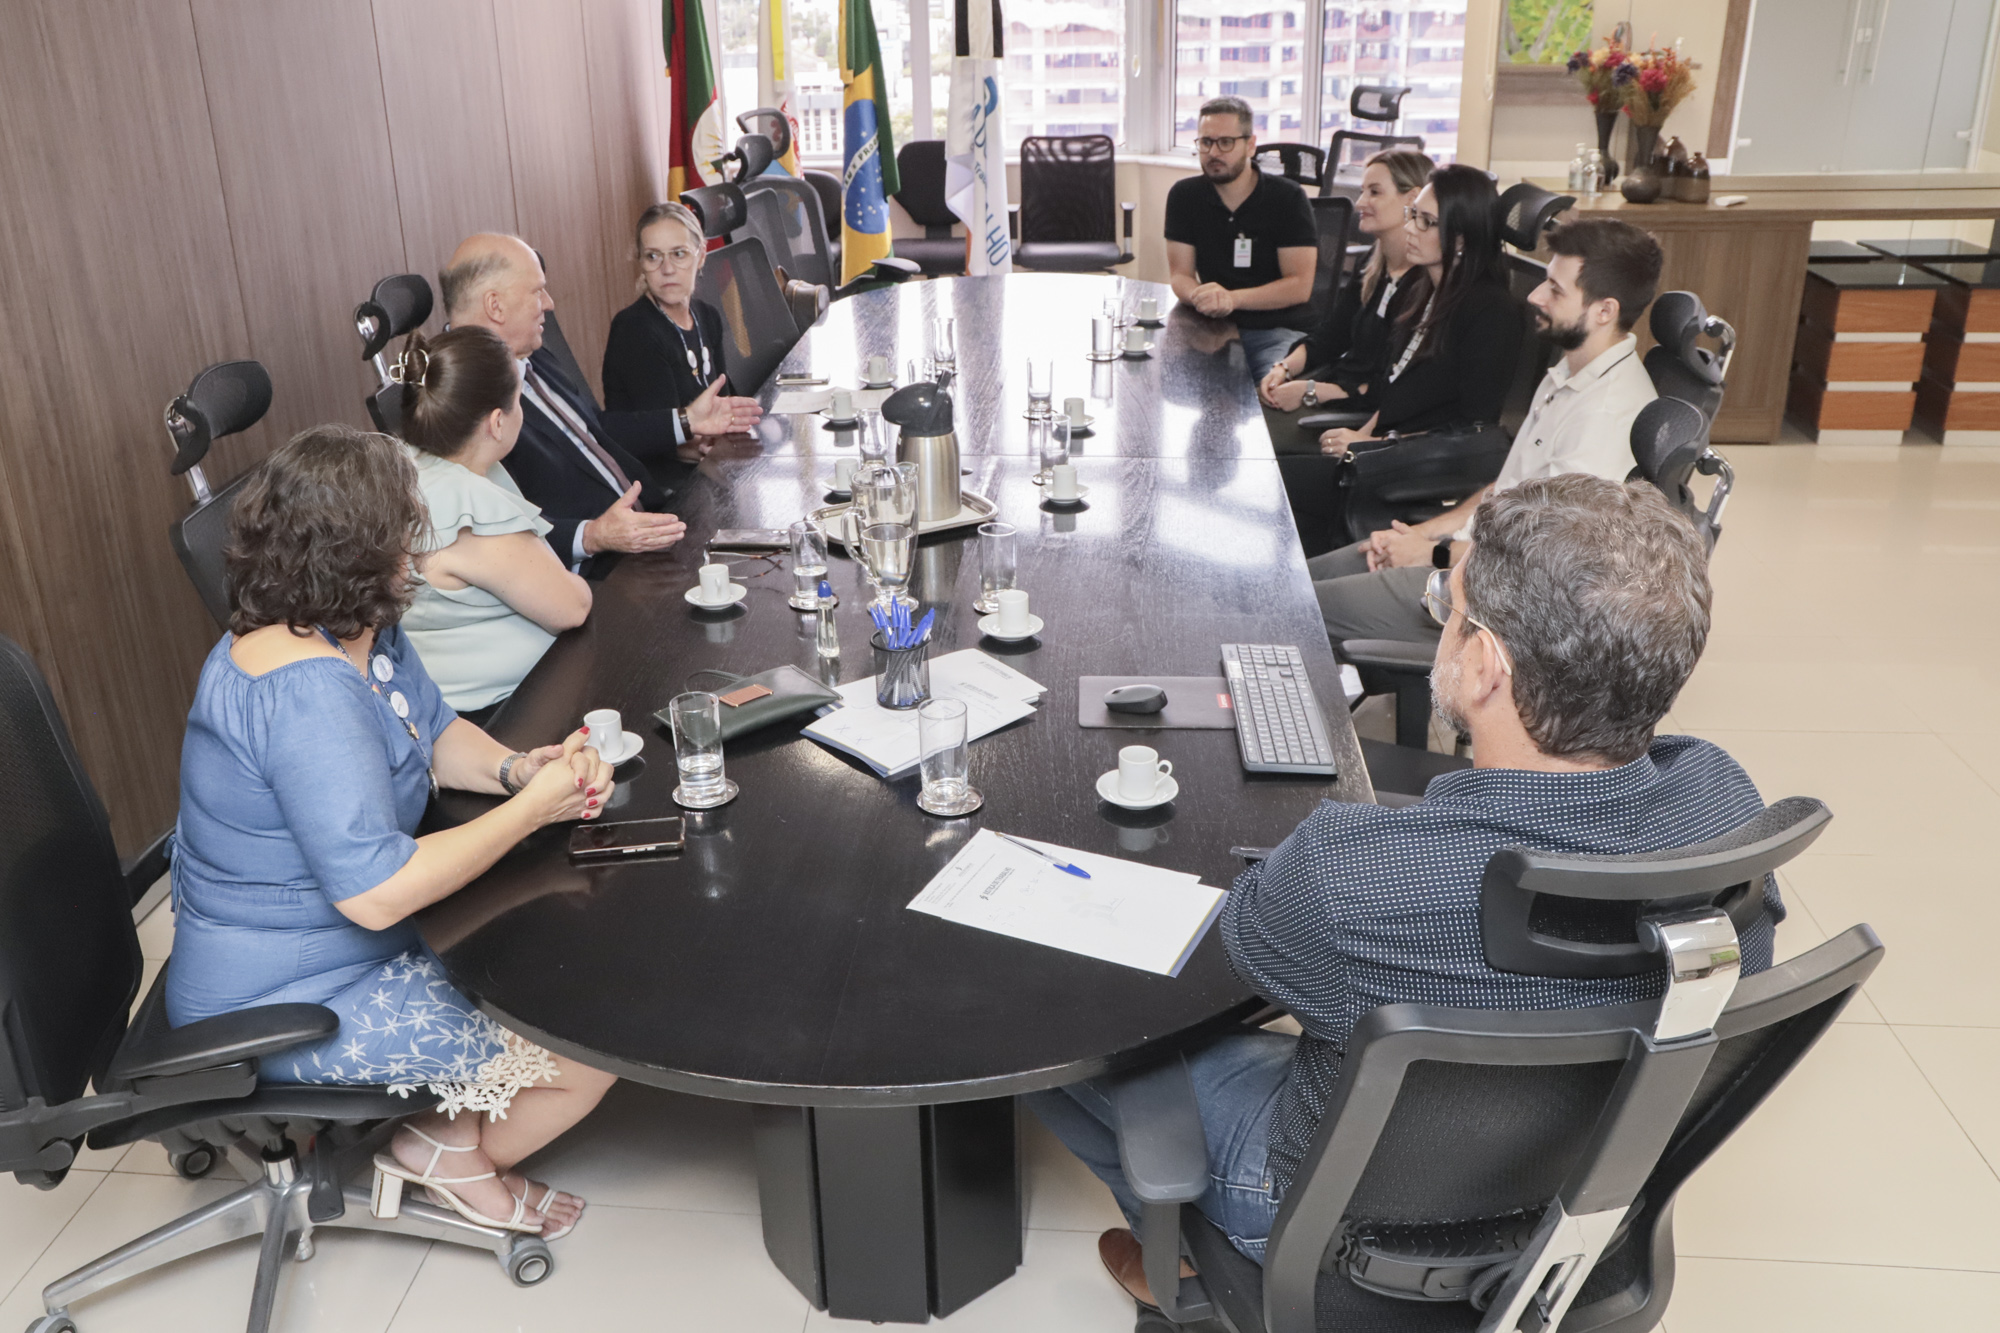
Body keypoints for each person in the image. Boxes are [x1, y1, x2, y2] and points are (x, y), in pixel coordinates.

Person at [1027, 475, 1785, 1301]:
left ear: (1487, 668)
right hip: (1580, 1185)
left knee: (1046, 1010)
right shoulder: (1729, 804)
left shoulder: (1358, 876)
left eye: (1451, 610)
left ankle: (1186, 1261)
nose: (1442, 627)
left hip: (1331, 1215)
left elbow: (1225, 951)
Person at [168, 425, 619, 1241]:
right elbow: (377, 892)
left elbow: (435, 727)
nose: (416, 554)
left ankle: (448, 1132)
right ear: (355, 555)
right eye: (402, 537)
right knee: (593, 1036)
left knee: (561, 948)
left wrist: (521, 769)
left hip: (351, 949)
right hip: (285, 1001)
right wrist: (532, 810)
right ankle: (439, 1149)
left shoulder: (349, 625)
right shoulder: (307, 693)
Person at [1310, 218, 1665, 647]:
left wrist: (1431, 555)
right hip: (1467, 557)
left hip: (1494, 598)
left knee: (1296, 610)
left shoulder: (1606, 415)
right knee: (1297, 583)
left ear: (1604, 310)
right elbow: (1507, 489)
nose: (1535, 296)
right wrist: (1422, 535)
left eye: (1555, 289)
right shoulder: (1570, 372)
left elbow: (1540, 557)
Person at [438, 233, 757, 576]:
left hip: (649, 521)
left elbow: (595, 428)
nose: (549, 303)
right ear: (495, 306)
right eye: (537, 291)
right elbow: (490, 532)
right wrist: (592, 536)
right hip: (599, 570)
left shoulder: (530, 355)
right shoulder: (459, 398)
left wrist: (686, 420)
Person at [391, 325, 593, 718]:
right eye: (519, 401)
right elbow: (571, 606)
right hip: (500, 719)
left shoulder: (407, 466)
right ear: (497, 422)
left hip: (452, 708)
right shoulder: (464, 504)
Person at [1314, 164, 1519, 455]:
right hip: (1385, 449)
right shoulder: (1423, 290)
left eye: (1427, 221)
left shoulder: (1491, 311)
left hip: (1420, 464)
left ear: (1461, 238)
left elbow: (1473, 428)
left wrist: (1370, 446)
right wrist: (1359, 440)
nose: (1410, 228)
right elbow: (1395, 391)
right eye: (1413, 215)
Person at [1259, 149, 1434, 420]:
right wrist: (1284, 368)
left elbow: (1389, 388)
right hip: (1332, 391)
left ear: (1412, 199)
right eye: (1363, 191)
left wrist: (1311, 389)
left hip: (1359, 415)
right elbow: (1331, 336)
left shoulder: (1425, 283)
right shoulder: (1371, 264)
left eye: (1374, 192)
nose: (1360, 203)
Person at [1164, 96, 1318, 380]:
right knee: (1172, 383)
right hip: (1212, 327)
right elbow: (1180, 275)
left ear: (1250, 145)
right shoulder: (1184, 196)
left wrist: (1231, 299)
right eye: (1206, 142)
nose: (1213, 152)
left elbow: (1299, 286)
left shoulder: (1288, 198)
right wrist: (1201, 298)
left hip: (1277, 330)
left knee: (1268, 395)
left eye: (1225, 142)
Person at [602, 202, 730, 429]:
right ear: (640, 261)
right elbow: (662, 436)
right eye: (653, 257)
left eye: (679, 254)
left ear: (701, 256)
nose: (667, 269)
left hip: (710, 450)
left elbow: (725, 402)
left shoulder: (707, 316)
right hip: (661, 462)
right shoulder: (634, 330)